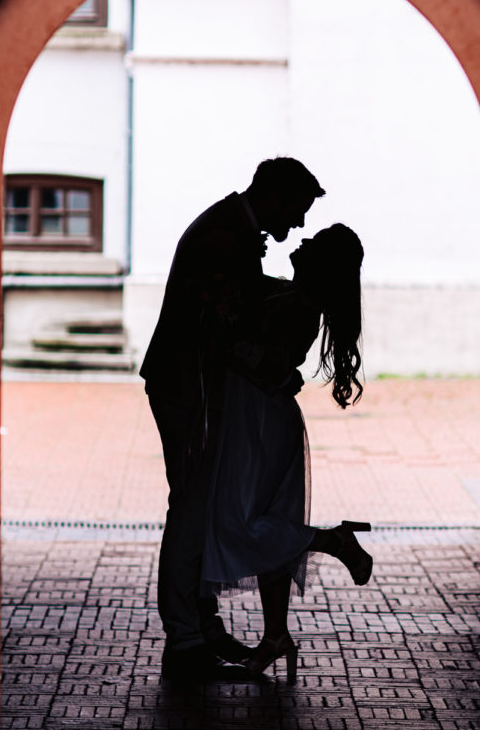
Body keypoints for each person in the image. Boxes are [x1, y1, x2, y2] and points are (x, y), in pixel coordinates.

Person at [140, 157, 325, 682]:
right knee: (191, 513)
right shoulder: (226, 236)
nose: (300, 225)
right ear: (273, 196)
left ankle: (200, 622)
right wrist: (278, 374)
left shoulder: (231, 227)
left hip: (190, 387)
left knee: (198, 507)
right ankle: (186, 639)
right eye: (298, 209)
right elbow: (226, 325)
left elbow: (237, 299)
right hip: (189, 390)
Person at [200, 223, 373, 683]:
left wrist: (226, 329)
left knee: (241, 522)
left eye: (313, 244)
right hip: (257, 416)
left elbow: (268, 363)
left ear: (322, 265)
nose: (301, 242)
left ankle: (333, 542)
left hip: (256, 419)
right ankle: (275, 634)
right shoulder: (287, 294)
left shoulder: (299, 305)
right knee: (265, 520)